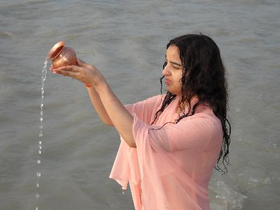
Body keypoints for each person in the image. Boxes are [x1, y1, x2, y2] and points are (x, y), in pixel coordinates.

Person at [51, 34, 231, 210]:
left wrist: (100, 83)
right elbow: (110, 116)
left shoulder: (206, 126)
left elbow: (135, 137)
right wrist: (88, 81)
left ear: (199, 73)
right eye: (166, 62)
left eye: (175, 66)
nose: (165, 71)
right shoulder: (165, 103)